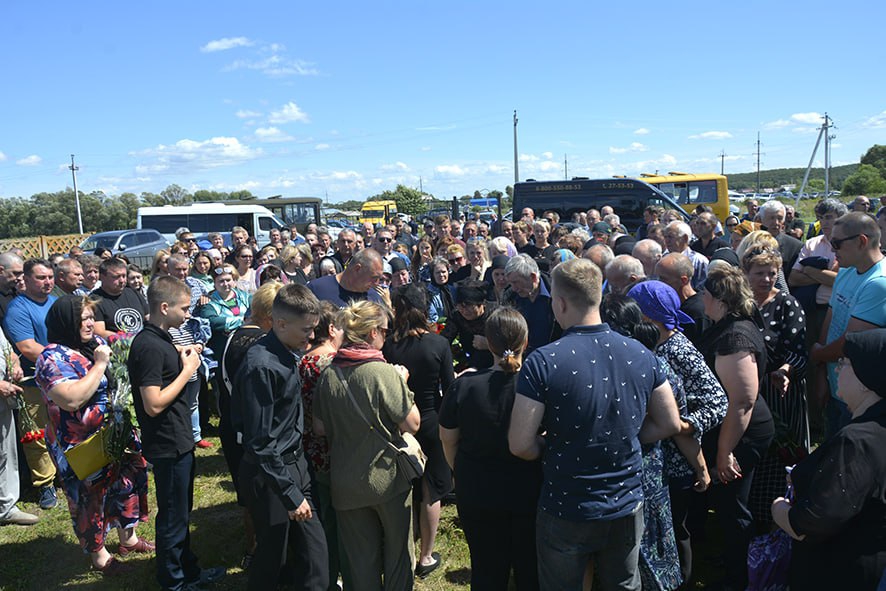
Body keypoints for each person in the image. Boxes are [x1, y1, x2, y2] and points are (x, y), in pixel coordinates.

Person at [508, 258, 680, 590]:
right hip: (627, 500)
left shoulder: (543, 361)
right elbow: (670, 422)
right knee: (623, 584)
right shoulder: (642, 354)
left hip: (566, 502)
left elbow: (520, 444)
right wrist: (630, 436)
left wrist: (553, 446)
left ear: (559, 303)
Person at [36, 296, 152, 573]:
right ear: (66, 322)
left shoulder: (94, 345)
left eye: (91, 317)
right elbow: (71, 400)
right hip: (81, 444)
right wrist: (100, 365)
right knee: (90, 497)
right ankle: (99, 556)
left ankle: (128, 538)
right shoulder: (51, 357)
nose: (89, 323)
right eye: (83, 318)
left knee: (127, 483)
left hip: (115, 433)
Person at [313, 300, 421, 591]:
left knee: (359, 561)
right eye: (386, 330)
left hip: (345, 481)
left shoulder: (328, 374)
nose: (387, 336)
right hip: (388, 480)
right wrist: (403, 382)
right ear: (373, 332)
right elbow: (412, 424)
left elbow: (320, 428)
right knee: (399, 554)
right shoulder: (383, 372)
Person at [627, 281, 728, 585]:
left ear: (648, 316)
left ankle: (681, 580)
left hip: (678, 460)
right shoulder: (649, 345)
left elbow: (718, 400)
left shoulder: (679, 350)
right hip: (657, 459)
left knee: (674, 530)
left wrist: (682, 425)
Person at [128, 276, 225, 590]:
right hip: (167, 442)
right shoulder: (149, 346)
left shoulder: (160, 339)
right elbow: (153, 403)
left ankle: (189, 572)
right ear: (164, 306)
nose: (187, 314)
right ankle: (174, 582)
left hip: (178, 438)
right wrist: (186, 372)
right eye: (184, 308)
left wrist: (180, 357)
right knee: (172, 517)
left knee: (181, 512)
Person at [771, 328, 886, 590]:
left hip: (840, 572)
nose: (835, 369)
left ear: (866, 377)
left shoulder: (857, 441)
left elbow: (814, 521)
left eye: (844, 362)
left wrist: (780, 511)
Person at [233, 284, 328, 590]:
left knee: (315, 556)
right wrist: (289, 493)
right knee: (273, 558)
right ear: (281, 323)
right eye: (307, 330)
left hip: (295, 465)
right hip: (271, 477)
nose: (311, 337)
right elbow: (260, 441)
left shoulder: (287, 352)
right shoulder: (260, 366)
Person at [439, 308, 542, 591]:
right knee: (529, 568)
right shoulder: (537, 385)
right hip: (527, 488)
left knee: (486, 569)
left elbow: (448, 439)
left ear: (488, 341)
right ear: (526, 340)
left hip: (478, 489)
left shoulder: (464, 385)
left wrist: (457, 470)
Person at [697, 266, 775, 590]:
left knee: (733, 506)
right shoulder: (730, 325)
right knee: (729, 503)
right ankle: (733, 562)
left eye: (706, 293)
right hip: (736, 429)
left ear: (720, 299)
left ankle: (740, 577)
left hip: (743, 432)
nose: (702, 298)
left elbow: (741, 401)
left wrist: (724, 452)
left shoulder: (734, 338)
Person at [382, 284, 455, 578]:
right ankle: (426, 556)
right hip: (431, 419)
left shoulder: (387, 345)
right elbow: (449, 390)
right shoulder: (438, 345)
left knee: (402, 490)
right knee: (431, 490)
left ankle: (401, 550)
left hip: (398, 422)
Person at [216, 281, 282, 570]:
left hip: (232, 424)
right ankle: (263, 553)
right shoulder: (261, 346)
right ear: (270, 317)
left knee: (245, 495)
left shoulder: (233, 336)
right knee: (261, 493)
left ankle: (253, 546)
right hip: (252, 429)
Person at [742, 245, 809, 525]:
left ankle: (780, 516)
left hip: (781, 390)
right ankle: (750, 513)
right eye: (759, 273)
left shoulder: (787, 304)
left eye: (772, 273)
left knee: (780, 454)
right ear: (746, 274)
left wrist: (784, 370)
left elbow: (799, 350)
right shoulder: (742, 304)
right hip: (748, 387)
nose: (766, 279)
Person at [810, 212, 886, 438]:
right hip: (837, 386)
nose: (832, 249)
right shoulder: (845, 272)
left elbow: (851, 342)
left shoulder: (879, 284)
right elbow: (830, 320)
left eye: (837, 243)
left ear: (862, 241)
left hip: (862, 395)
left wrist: (818, 355)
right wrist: (822, 372)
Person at [297, 301, 349, 590]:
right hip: (331, 448)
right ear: (331, 329)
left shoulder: (302, 360)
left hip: (307, 446)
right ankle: (332, 576)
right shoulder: (332, 363)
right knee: (334, 520)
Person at [4, 258, 59, 509]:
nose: (47, 282)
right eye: (41, 277)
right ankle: (45, 484)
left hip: (61, 379)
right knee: (35, 434)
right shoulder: (19, 308)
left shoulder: (56, 302)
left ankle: (66, 474)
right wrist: (64, 360)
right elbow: (27, 347)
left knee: (63, 430)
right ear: (25, 280)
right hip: (33, 382)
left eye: (50, 277)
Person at [0, 327, 37, 526]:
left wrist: (14, 364)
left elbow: (8, 350)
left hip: (3, 401)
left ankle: (6, 507)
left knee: (6, 453)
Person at [502, 254, 558, 353]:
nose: (514, 288)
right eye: (511, 284)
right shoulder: (511, 298)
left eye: (516, 282)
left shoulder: (556, 294)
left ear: (533, 277)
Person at [198, 265, 251, 356]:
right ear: (214, 283)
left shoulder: (246, 297)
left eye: (228, 280)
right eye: (221, 281)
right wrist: (243, 321)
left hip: (248, 343)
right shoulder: (209, 302)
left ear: (234, 281)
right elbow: (212, 321)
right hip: (224, 348)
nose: (226, 284)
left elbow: (257, 312)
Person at [308, 248, 385, 309]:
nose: (376, 283)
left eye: (379, 279)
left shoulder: (374, 299)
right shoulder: (317, 289)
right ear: (357, 269)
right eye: (374, 277)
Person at [92, 258, 148, 338]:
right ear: (102, 277)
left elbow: (148, 318)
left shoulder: (133, 293)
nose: (122, 280)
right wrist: (128, 339)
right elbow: (99, 332)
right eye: (116, 277)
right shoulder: (95, 300)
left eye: (124, 276)